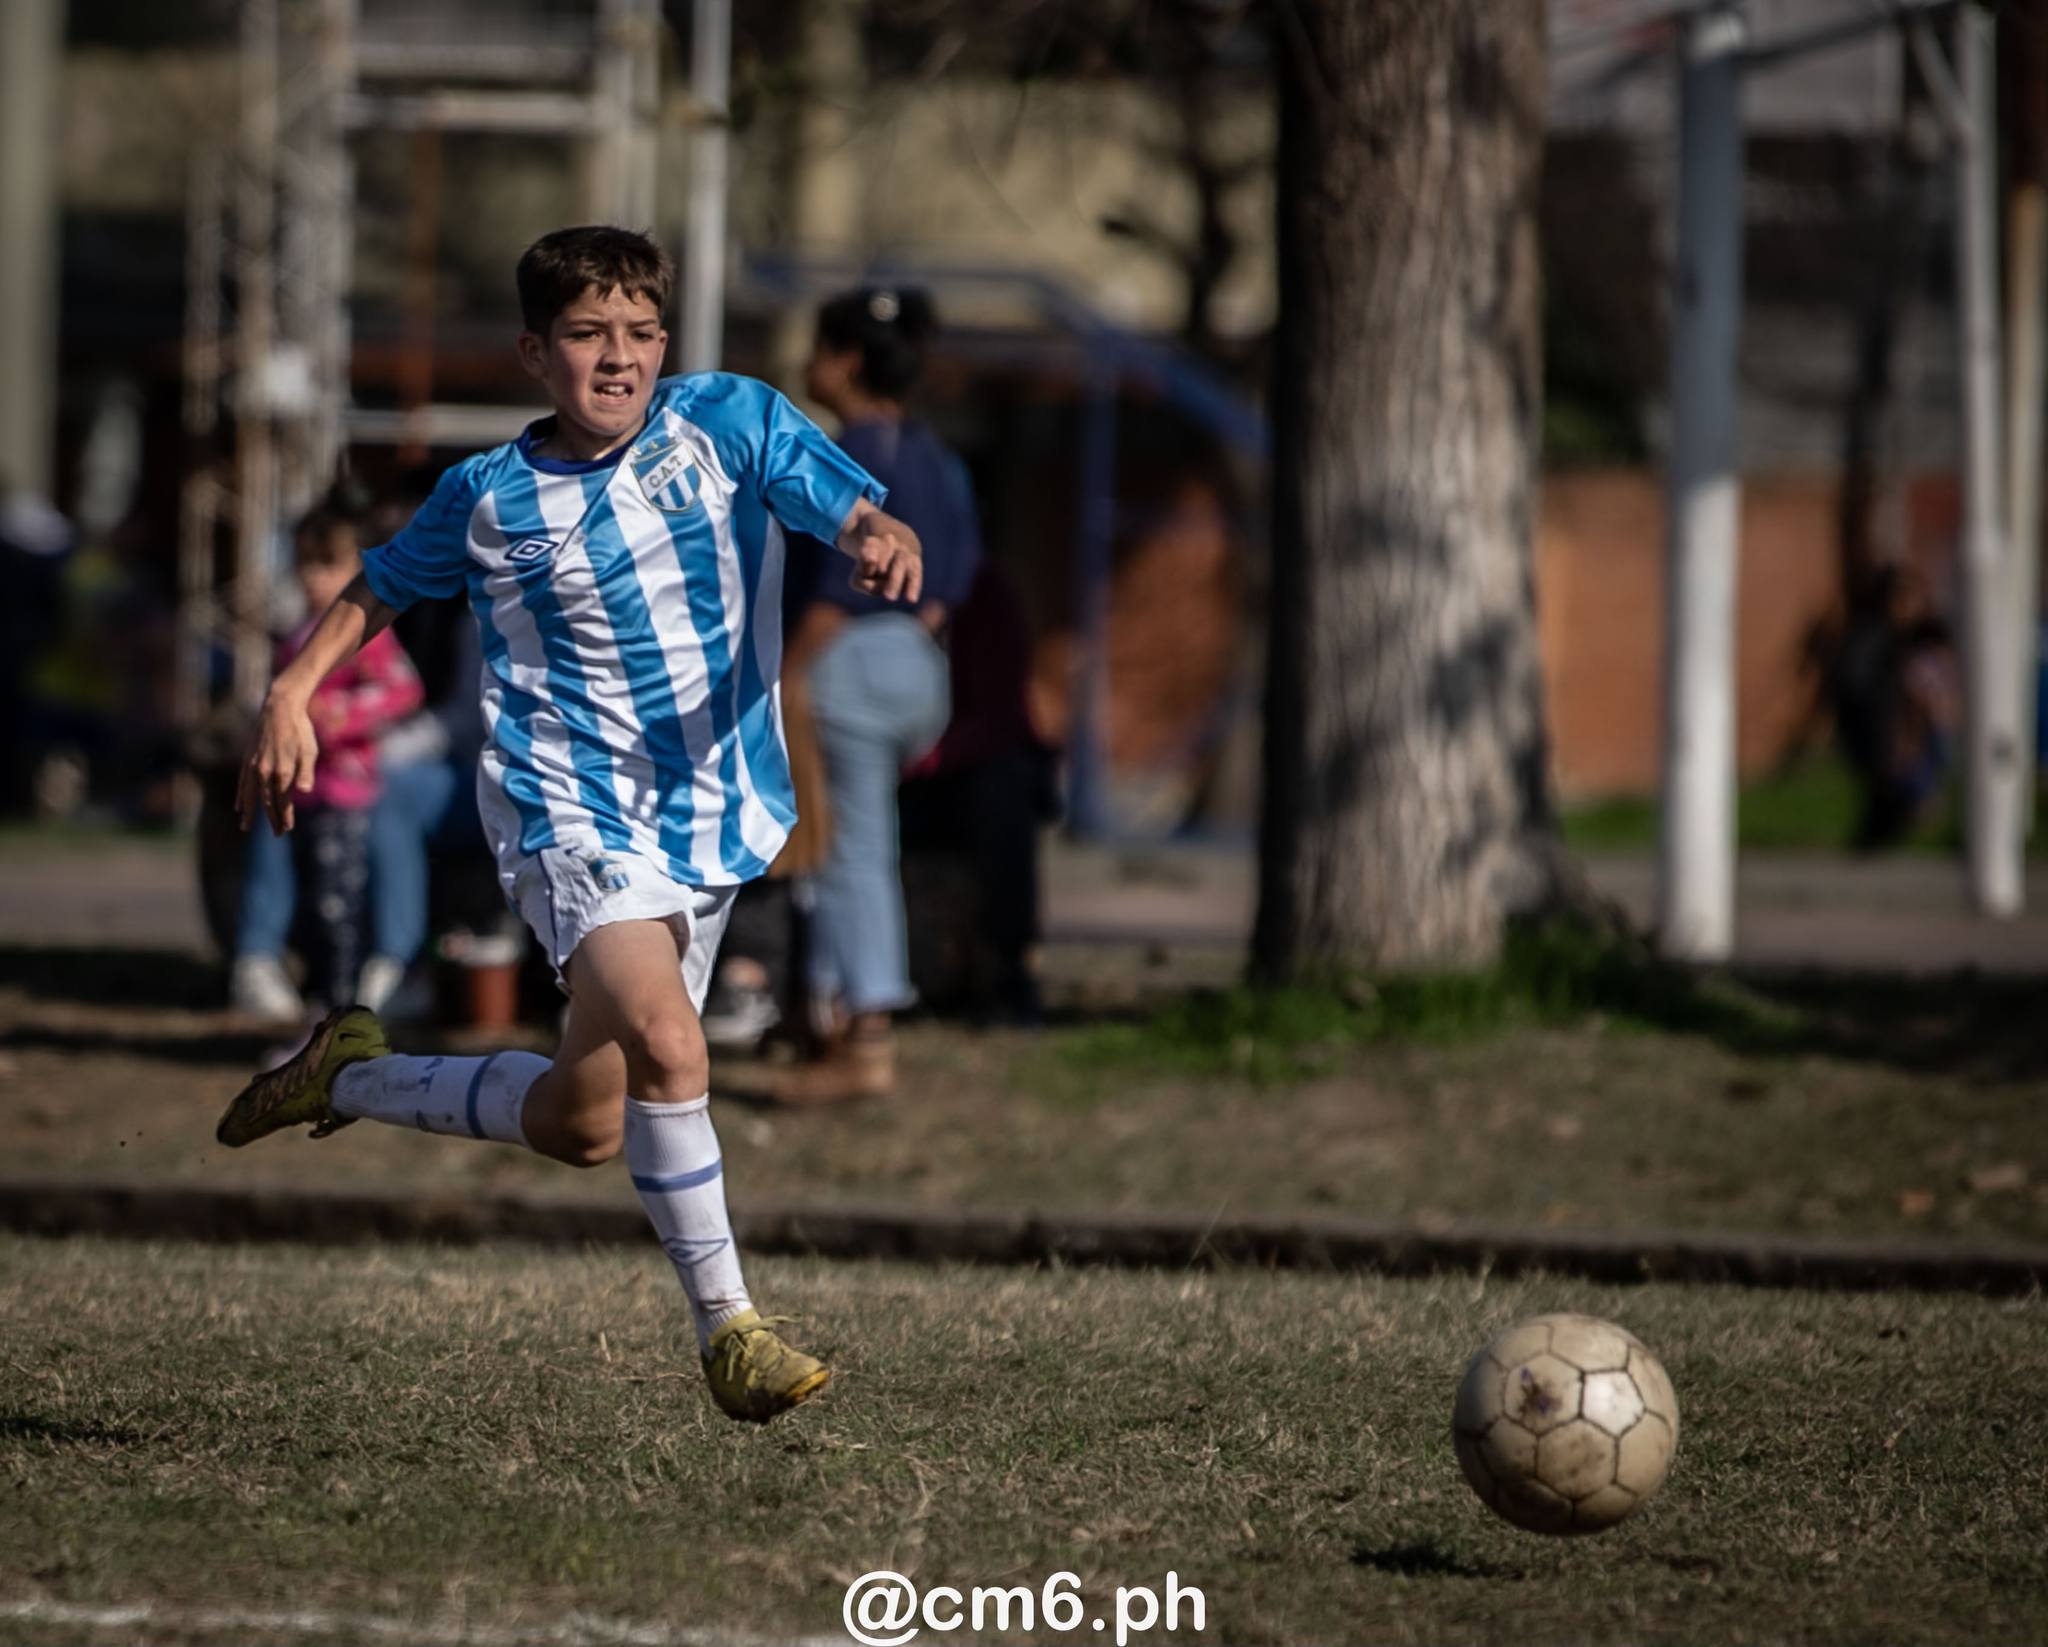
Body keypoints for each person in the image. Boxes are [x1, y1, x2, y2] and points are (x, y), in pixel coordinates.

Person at [214, 226, 923, 1424]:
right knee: (673, 1042)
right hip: (568, 810)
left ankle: (352, 1075)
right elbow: (376, 588)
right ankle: (731, 1333)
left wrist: (873, 534)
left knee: (584, 1122)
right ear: (536, 352)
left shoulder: (730, 422)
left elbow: (836, 504)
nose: (619, 360)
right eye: (589, 336)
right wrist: (288, 691)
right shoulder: (486, 497)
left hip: (714, 810)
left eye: (640, 334)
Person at [765, 286, 982, 1104]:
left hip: (847, 663)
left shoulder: (851, 452)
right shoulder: (934, 452)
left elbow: (835, 588)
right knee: (832, 841)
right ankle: (820, 1016)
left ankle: (867, 1033)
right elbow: (950, 577)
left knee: (849, 848)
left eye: (819, 347)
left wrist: (791, 669)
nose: (808, 366)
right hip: (920, 665)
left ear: (847, 359)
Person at [229, 509, 424, 1016]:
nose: (315, 579)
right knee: (309, 897)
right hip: (302, 791)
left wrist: (338, 715)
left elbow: (402, 690)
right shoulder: (296, 635)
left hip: (347, 791)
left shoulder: (364, 633)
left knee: (343, 901)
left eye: (329, 566)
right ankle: (283, 975)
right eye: (306, 566)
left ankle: (350, 995)